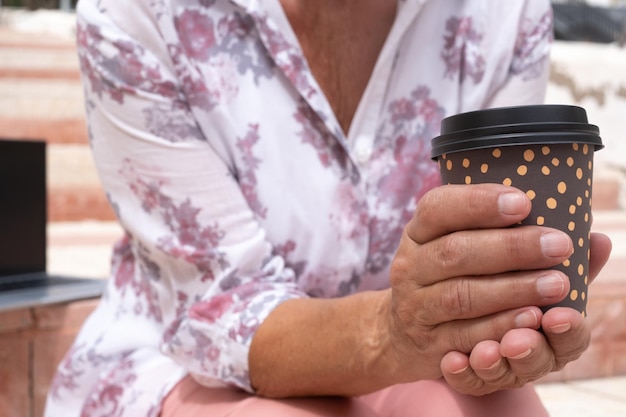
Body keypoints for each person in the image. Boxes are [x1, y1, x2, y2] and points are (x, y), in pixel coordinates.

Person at [45, 0, 613, 416]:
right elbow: (223, 315)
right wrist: (396, 333)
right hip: (190, 358)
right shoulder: (144, 16)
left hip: (416, 355)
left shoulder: (503, 14)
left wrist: (503, 304)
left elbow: (481, 260)